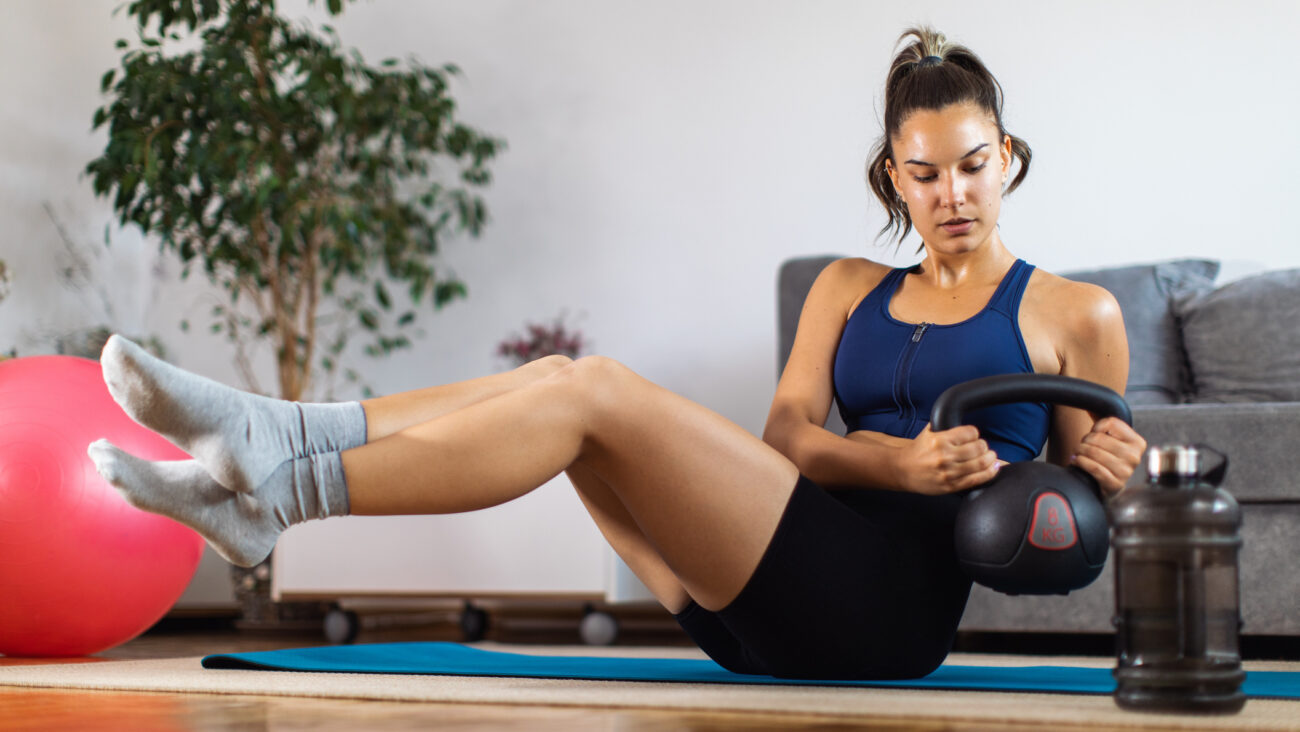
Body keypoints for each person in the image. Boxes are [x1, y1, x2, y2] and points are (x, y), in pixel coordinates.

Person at [88, 26, 1146, 680]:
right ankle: (280, 453)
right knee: (559, 387)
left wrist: (1114, 474)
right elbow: (789, 441)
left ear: (1005, 156)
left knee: (589, 391)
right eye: (924, 174)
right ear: (892, 178)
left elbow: (1083, 526)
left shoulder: (1075, 313)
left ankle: (278, 489)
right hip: (752, 604)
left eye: (971, 165)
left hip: (883, 616)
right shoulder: (844, 287)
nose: (951, 195)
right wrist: (896, 461)